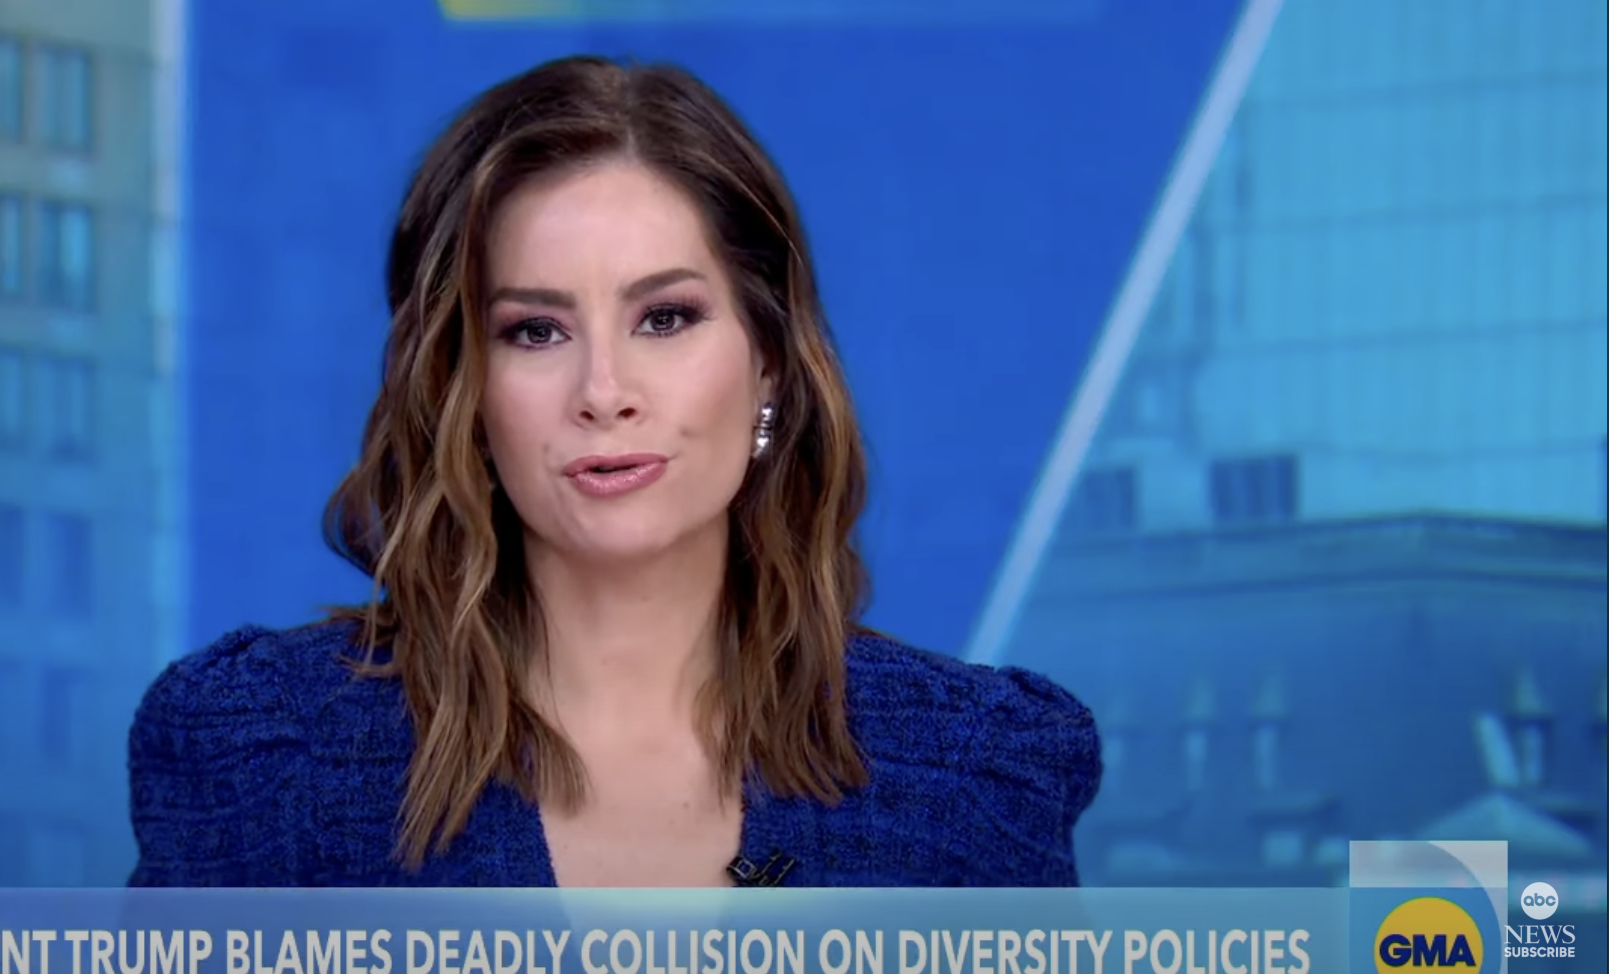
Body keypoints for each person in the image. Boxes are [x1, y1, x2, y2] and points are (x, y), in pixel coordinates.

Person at [127, 55, 1100, 889]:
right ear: (462, 388)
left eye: (664, 318)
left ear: (767, 361)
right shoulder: (267, 757)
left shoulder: (971, 775)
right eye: (534, 330)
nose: (603, 391)